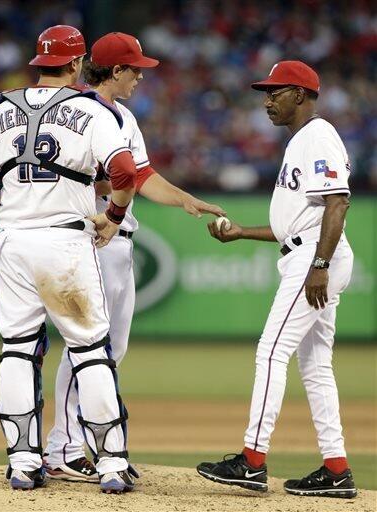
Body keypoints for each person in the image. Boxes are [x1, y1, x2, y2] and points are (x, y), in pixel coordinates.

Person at [44, 31, 226, 482]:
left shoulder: (121, 115)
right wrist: (108, 196)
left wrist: (185, 198)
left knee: (111, 350)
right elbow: (78, 178)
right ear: (117, 70)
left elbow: (140, 174)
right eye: (136, 70)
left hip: (118, 239)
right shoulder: (80, 113)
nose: (141, 78)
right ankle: (61, 447)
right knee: (87, 346)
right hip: (93, 238)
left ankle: (88, 444)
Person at [0, 25, 141, 493]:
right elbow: (124, 171)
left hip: (12, 242)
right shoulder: (90, 109)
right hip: (65, 243)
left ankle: (23, 463)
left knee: (17, 348)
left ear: (38, 62)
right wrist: (113, 215)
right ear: (76, 65)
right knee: (91, 349)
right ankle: (111, 462)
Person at [196, 61, 357, 499]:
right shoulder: (301, 140)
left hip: (314, 257)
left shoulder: (317, 135)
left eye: (276, 92)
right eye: (266, 93)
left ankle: (252, 460)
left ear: (301, 95)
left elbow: (337, 203)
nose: (267, 100)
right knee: (316, 366)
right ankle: (336, 468)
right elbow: (297, 223)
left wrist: (319, 265)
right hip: (307, 249)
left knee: (271, 350)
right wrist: (242, 232)